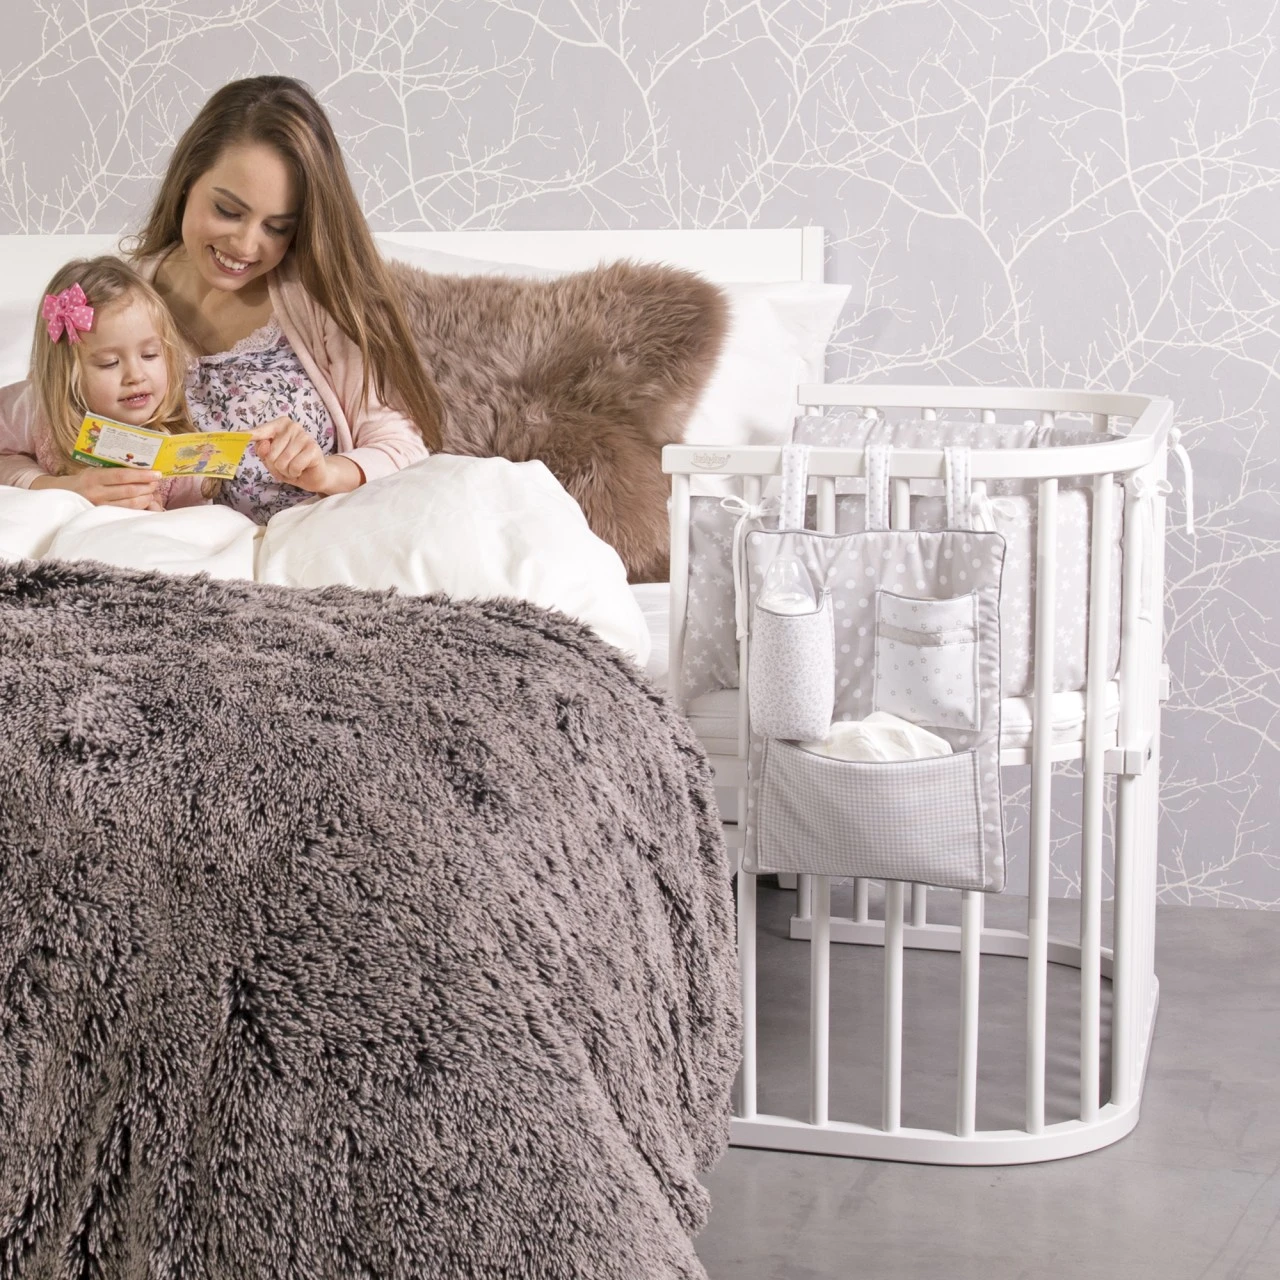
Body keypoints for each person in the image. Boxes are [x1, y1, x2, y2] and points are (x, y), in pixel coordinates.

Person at [0, 76, 443, 520]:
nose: (246, 246)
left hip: (304, 538)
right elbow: (44, 421)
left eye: (277, 227)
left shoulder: (318, 301)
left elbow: (402, 447)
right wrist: (63, 488)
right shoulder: (120, 301)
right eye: (228, 211)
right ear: (188, 181)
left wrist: (327, 472)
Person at [6, 256, 200, 511]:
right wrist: (50, 485)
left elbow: (194, 524)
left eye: (150, 355)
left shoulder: (181, 448)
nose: (135, 375)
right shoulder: (37, 412)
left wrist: (158, 516)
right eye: (110, 363)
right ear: (66, 373)